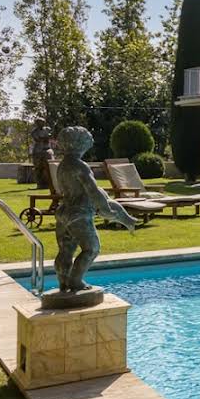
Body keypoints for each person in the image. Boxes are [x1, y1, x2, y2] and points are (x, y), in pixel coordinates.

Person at [53, 126, 136, 298]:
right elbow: (93, 190)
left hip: (63, 212)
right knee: (92, 249)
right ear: (80, 144)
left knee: (65, 250)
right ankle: (75, 281)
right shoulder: (80, 166)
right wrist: (106, 210)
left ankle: (63, 283)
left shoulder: (62, 165)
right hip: (79, 213)